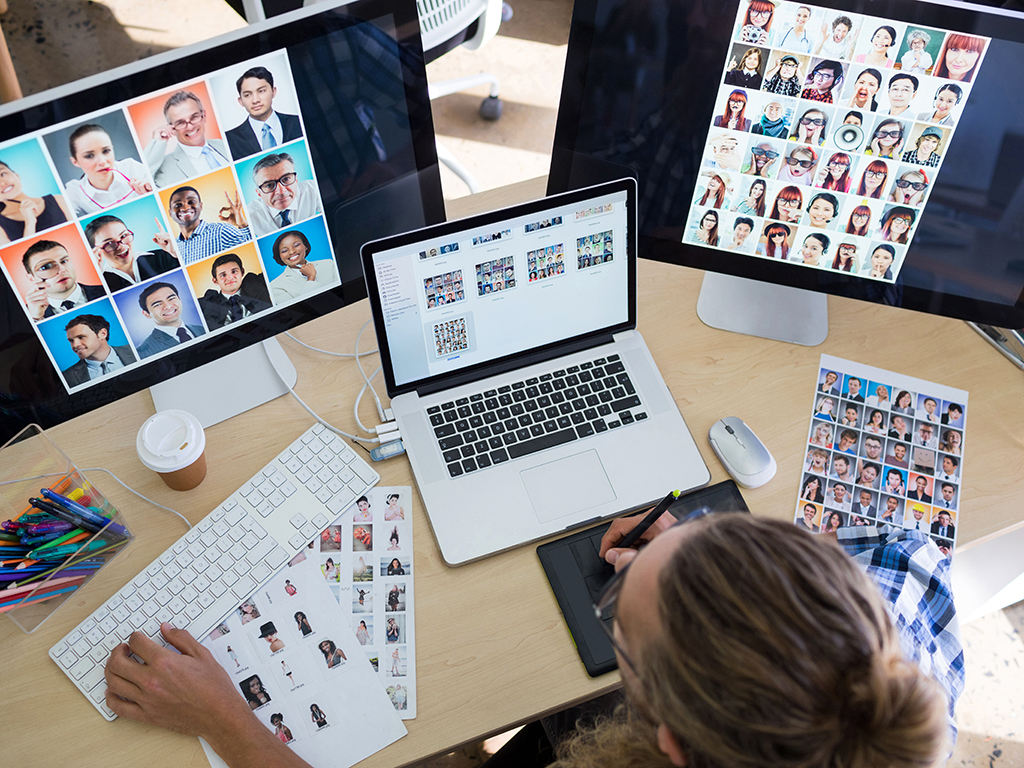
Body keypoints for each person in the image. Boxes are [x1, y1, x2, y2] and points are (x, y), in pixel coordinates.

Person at [143, 91, 231, 187]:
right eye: (180, 123)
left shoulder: (223, 143)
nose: (189, 127)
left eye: (194, 117)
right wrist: (157, 143)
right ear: (171, 128)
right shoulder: (163, 168)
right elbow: (142, 181)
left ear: (204, 115)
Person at [64, 124, 153, 215]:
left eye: (106, 151)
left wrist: (153, 186)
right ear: (75, 162)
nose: (102, 162)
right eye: (89, 156)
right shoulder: (75, 192)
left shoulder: (132, 167)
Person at [84, 215, 179, 292]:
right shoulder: (100, 283)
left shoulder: (164, 257)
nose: (121, 246)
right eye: (109, 243)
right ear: (95, 250)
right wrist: (97, 278)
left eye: (124, 236)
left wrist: (176, 253)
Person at [225, 66, 304, 160]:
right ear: (240, 101)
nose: (255, 100)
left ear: (273, 92)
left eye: (261, 91)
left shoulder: (298, 121)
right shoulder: (230, 139)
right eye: (247, 95)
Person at [21, 239, 106, 322]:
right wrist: (36, 319)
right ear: (31, 278)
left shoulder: (106, 290)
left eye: (64, 261)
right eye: (45, 267)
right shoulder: (27, 315)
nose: (61, 270)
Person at [168, 186, 251, 265]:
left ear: (201, 206)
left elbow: (251, 251)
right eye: (178, 205)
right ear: (170, 213)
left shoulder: (222, 231)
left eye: (191, 202)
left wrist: (243, 225)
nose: (185, 208)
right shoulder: (173, 246)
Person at [247, 152, 323, 237]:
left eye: (286, 179)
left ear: (296, 179)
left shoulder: (312, 189)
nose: (281, 191)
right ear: (259, 193)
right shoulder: (249, 215)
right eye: (269, 185)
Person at [0, 161, 71, 244]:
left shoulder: (59, 200)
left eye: (3, 174)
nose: (2, 183)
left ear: (16, 175)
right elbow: (24, 255)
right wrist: (30, 223)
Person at [198, 253, 272, 328]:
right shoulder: (209, 301)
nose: (230, 278)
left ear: (242, 272)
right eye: (223, 275)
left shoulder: (254, 283)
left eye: (234, 271)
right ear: (215, 281)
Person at [62, 313, 137, 386]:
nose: (75, 345)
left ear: (102, 334)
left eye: (81, 337)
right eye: (71, 341)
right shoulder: (67, 377)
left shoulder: (136, 350)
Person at [135, 281, 206, 358]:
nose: (168, 306)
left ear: (179, 299)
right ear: (147, 314)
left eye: (171, 298)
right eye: (157, 304)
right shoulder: (142, 353)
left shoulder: (202, 329)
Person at [267, 229, 339, 303]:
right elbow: (301, 309)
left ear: (305, 246)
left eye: (296, 245)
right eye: (284, 250)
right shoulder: (275, 286)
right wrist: (311, 278)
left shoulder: (329, 264)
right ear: (280, 256)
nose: (292, 252)